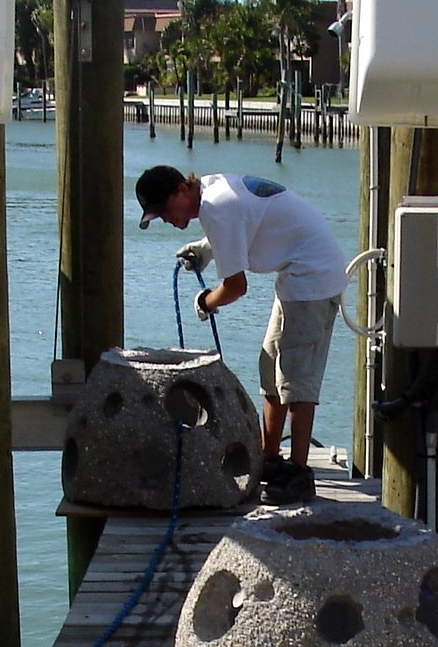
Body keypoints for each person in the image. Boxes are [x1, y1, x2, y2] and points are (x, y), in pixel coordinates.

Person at [134, 165, 349, 503]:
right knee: (270, 365)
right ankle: (270, 457)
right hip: (297, 276)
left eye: (163, 211)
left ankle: (298, 474)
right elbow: (242, 222)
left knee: (296, 379)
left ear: (180, 190)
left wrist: (206, 302)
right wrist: (206, 249)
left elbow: (236, 287)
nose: (165, 219)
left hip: (314, 278)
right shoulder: (212, 192)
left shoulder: (216, 207)